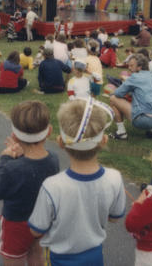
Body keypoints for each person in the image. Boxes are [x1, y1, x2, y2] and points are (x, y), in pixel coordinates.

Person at [28, 98, 126, 266]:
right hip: (95, 257)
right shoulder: (115, 178)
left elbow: (35, 230)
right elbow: (115, 218)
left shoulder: (52, 186)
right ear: (104, 141)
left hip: (58, 259)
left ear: (60, 142)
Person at [0, 100, 59, 265]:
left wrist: (5, 158)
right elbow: (33, 170)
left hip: (15, 224)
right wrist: (22, 157)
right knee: (36, 251)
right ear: (48, 131)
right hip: (41, 220)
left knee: (12, 258)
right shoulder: (53, 159)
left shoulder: (10, 168)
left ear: (14, 135)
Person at [110, 54, 152, 140]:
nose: (129, 68)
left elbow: (118, 94)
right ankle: (150, 130)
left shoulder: (135, 77)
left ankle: (121, 133)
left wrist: (124, 86)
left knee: (113, 98)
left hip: (143, 120)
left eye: (131, 66)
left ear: (139, 67)